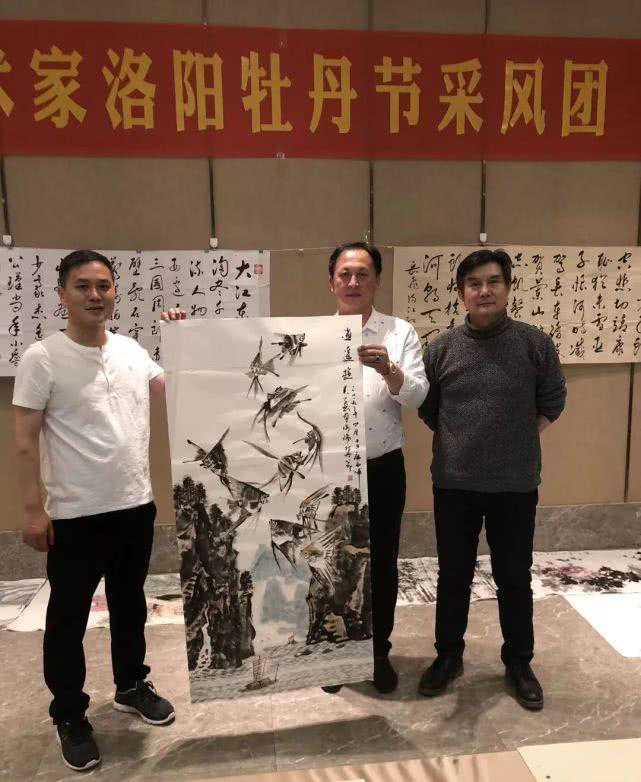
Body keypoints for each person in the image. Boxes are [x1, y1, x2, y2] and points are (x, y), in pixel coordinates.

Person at [14, 250, 175, 773]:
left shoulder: (131, 350)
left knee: (130, 605)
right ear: (62, 294)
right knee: (68, 618)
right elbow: (24, 441)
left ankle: (131, 685)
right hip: (75, 514)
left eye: (103, 285)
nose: (95, 295)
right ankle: (69, 713)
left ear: (115, 291)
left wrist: (181, 339)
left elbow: (174, 388)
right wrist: (33, 509)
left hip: (135, 505)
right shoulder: (42, 358)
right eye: (83, 286)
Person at [417, 248, 566, 710]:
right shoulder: (441, 348)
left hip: (515, 484)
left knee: (514, 576)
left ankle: (519, 662)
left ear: (508, 287)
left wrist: (515, 438)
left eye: (493, 281)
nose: (484, 291)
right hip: (454, 483)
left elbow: (553, 400)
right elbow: (429, 410)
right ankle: (448, 656)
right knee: (453, 574)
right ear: (461, 293)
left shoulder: (534, 343)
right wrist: (465, 442)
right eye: (474, 283)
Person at [326, 241, 428, 692]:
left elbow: (418, 396)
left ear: (377, 281)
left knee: (382, 562)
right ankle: (335, 653)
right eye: (345, 274)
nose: (353, 282)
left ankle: (378, 651)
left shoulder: (398, 332)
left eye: (362, 274)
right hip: (330, 471)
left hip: (382, 466)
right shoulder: (312, 335)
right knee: (332, 562)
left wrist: (390, 370)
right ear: (332, 282)